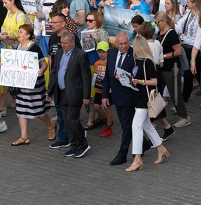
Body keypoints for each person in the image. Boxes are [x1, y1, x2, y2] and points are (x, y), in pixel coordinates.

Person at [124, 35, 168, 172]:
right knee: (145, 124)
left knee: (136, 125)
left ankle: (137, 160)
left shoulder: (147, 62)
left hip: (145, 98)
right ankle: (160, 148)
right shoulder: (137, 60)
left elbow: (154, 81)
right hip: (138, 96)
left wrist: (140, 82)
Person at [47, 31, 91, 158]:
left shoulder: (81, 55)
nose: (63, 45)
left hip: (74, 93)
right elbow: (54, 72)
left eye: (65, 43)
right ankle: (73, 146)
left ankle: (83, 144)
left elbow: (86, 77)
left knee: (72, 120)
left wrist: (86, 96)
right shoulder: (60, 53)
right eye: (61, 43)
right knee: (66, 121)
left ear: (72, 42)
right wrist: (49, 91)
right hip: (61, 92)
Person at [11, 24, 52, 146]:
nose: (18, 34)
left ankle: (51, 127)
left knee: (38, 110)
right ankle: (24, 137)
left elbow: (44, 63)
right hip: (22, 84)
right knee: (21, 108)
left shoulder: (34, 48)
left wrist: (41, 70)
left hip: (34, 85)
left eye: (21, 32)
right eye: (18, 32)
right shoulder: (18, 47)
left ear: (28, 35)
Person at [100, 31, 137, 166]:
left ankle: (122, 154)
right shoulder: (112, 53)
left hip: (129, 96)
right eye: (120, 44)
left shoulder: (134, 54)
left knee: (126, 127)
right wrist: (105, 95)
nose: (123, 46)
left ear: (129, 42)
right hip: (116, 96)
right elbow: (107, 76)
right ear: (116, 43)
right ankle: (145, 143)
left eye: (126, 43)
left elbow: (136, 77)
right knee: (127, 125)